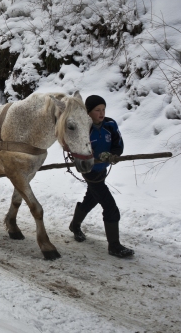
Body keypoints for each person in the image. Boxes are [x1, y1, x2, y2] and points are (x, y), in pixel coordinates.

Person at [68, 95, 134, 258]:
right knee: (110, 206)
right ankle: (114, 246)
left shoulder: (110, 125)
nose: (102, 113)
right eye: (97, 110)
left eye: (103, 109)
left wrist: (114, 155)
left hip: (102, 169)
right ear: (88, 112)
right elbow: (75, 146)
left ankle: (74, 225)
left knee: (92, 198)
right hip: (89, 170)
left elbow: (118, 144)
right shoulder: (84, 128)